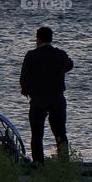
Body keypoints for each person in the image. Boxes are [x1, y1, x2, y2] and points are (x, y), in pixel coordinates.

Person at [19, 25, 73, 163]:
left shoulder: (31, 55)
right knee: (60, 132)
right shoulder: (59, 54)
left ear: (38, 39)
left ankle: (38, 163)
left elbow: (23, 78)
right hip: (57, 97)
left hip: (38, 99)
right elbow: (69, 65)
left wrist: (26, 91)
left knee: (37, 134)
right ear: (51, 38)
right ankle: (64, 162)